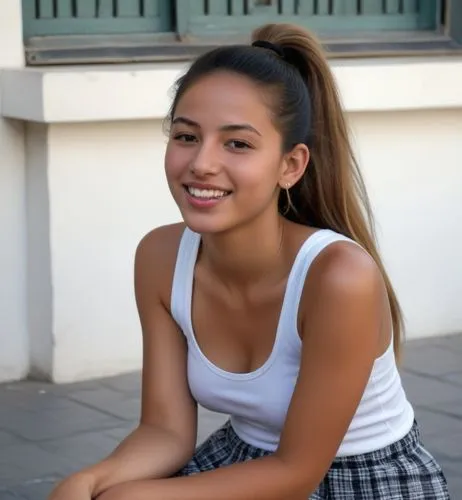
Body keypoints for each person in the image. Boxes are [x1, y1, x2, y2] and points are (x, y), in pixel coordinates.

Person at [49, 23, 450, 500]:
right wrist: (88, 481)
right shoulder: (159, 258)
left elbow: (297, 472)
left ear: (290, 165)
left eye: (237, 143)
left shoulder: (339, 277)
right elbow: (165, 431)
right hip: (242, 460)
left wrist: (135, 496)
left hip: (358, 480)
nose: (202, 163)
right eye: (185, 136)